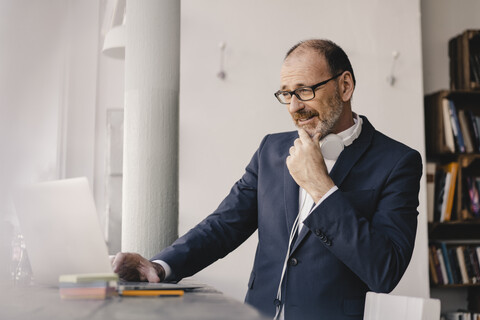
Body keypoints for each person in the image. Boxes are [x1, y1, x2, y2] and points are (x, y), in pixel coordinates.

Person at [112, 39, 422, 320]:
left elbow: (385, 270)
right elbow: (224, 225)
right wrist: (159, 266)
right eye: (286, 94)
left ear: (344, 86)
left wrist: (321, 188)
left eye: (304, 91)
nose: (294, 107)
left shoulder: (398, 162)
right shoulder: (271, 150)